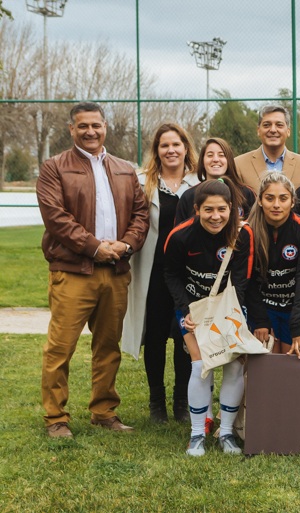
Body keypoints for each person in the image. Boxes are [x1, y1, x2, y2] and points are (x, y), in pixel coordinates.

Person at [37, 102, 149, 438]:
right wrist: (95, 247)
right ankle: (56, 417)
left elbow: (141, 215)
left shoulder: (125, 169)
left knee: (107, 346)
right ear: (71, 129)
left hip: (115, 272)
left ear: (105, 127)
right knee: (61, 347)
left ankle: (104, 412)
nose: (90, 131)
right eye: (83, 126)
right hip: (73, 271)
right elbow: (56, 219)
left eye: (96, 125)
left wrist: (125, 245)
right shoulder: (54, 167)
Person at [162, 178, 253, 456]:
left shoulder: (242, 235)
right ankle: (197, 434)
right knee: (201, 364)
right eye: (209, 210)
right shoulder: (179, 236)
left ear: (232, 209)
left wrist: (230, 315)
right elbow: (171, 275)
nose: (216, 217)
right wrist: (186, 309)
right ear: (197, 209)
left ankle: (226, 433)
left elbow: (241, 280)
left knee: (234, 365)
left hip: (228, 306)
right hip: (193, 307)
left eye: (222, 210)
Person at [122, 123, 199, 424]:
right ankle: (157, 403)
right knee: (154, 337)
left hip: (187, 274)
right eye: (164, 145)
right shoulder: (143, 183)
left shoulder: (198, 183)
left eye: (176, 144)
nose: (171, 150)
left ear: (185, 148)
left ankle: (182, 401)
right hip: (153, 272)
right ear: (156, 151)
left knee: (185, 335)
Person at [245, 172, 300, 359]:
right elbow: (248, 280)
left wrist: (297, 323)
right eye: (270, 198)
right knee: (265, 365)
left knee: (290, 364)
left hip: (294, 308)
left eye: (283, 198)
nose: (276, 205)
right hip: (262, 307)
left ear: (292, 202)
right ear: (260, 200)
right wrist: (260, 320)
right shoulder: (249, 230)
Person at [235, 105, 300, 191]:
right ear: (258, 130)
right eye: (267, 125)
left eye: (279, 125)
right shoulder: (239, 165)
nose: (273, 130)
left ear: (288, 131)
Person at [175, 137, 255, 225]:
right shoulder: (188, 196)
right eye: (210, 155)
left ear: (229, 160)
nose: (216, 159)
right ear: (202, 161)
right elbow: (179, 234)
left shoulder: (246, 194)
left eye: (221, 155)